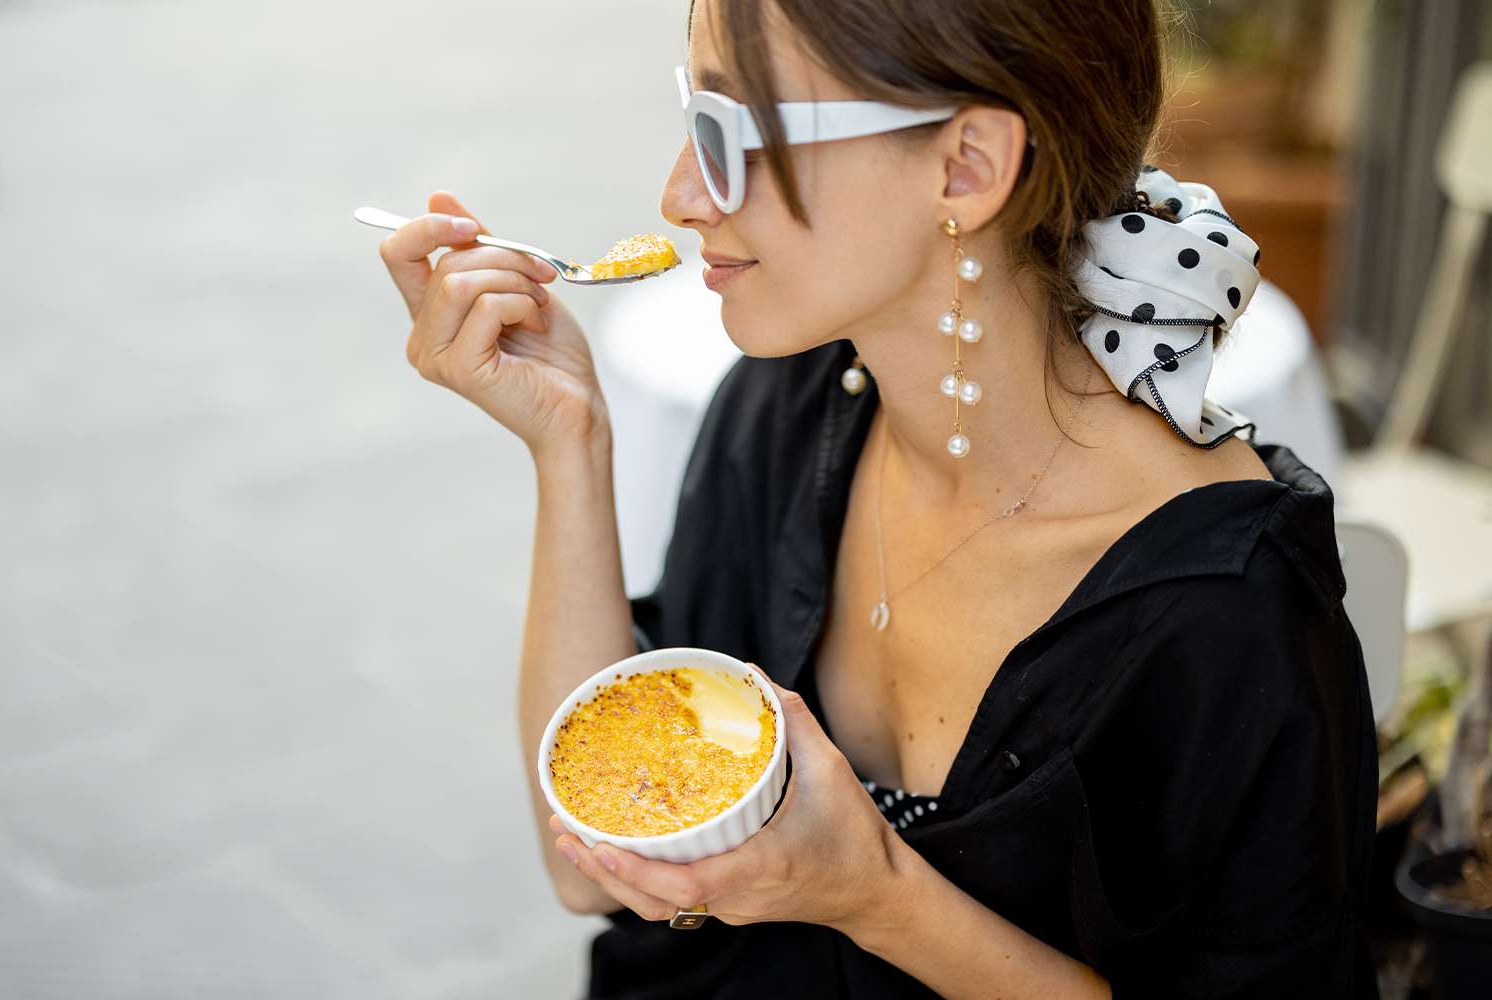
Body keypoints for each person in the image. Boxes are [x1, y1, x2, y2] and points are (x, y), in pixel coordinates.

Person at [376, 0, 1377, 995]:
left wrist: (873, 892)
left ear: (966, 166)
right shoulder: (788, 405)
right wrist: (569, 441)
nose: (679, 195)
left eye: (734, 133)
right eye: (692, 116)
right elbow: (587, 866)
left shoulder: (1227, 612)